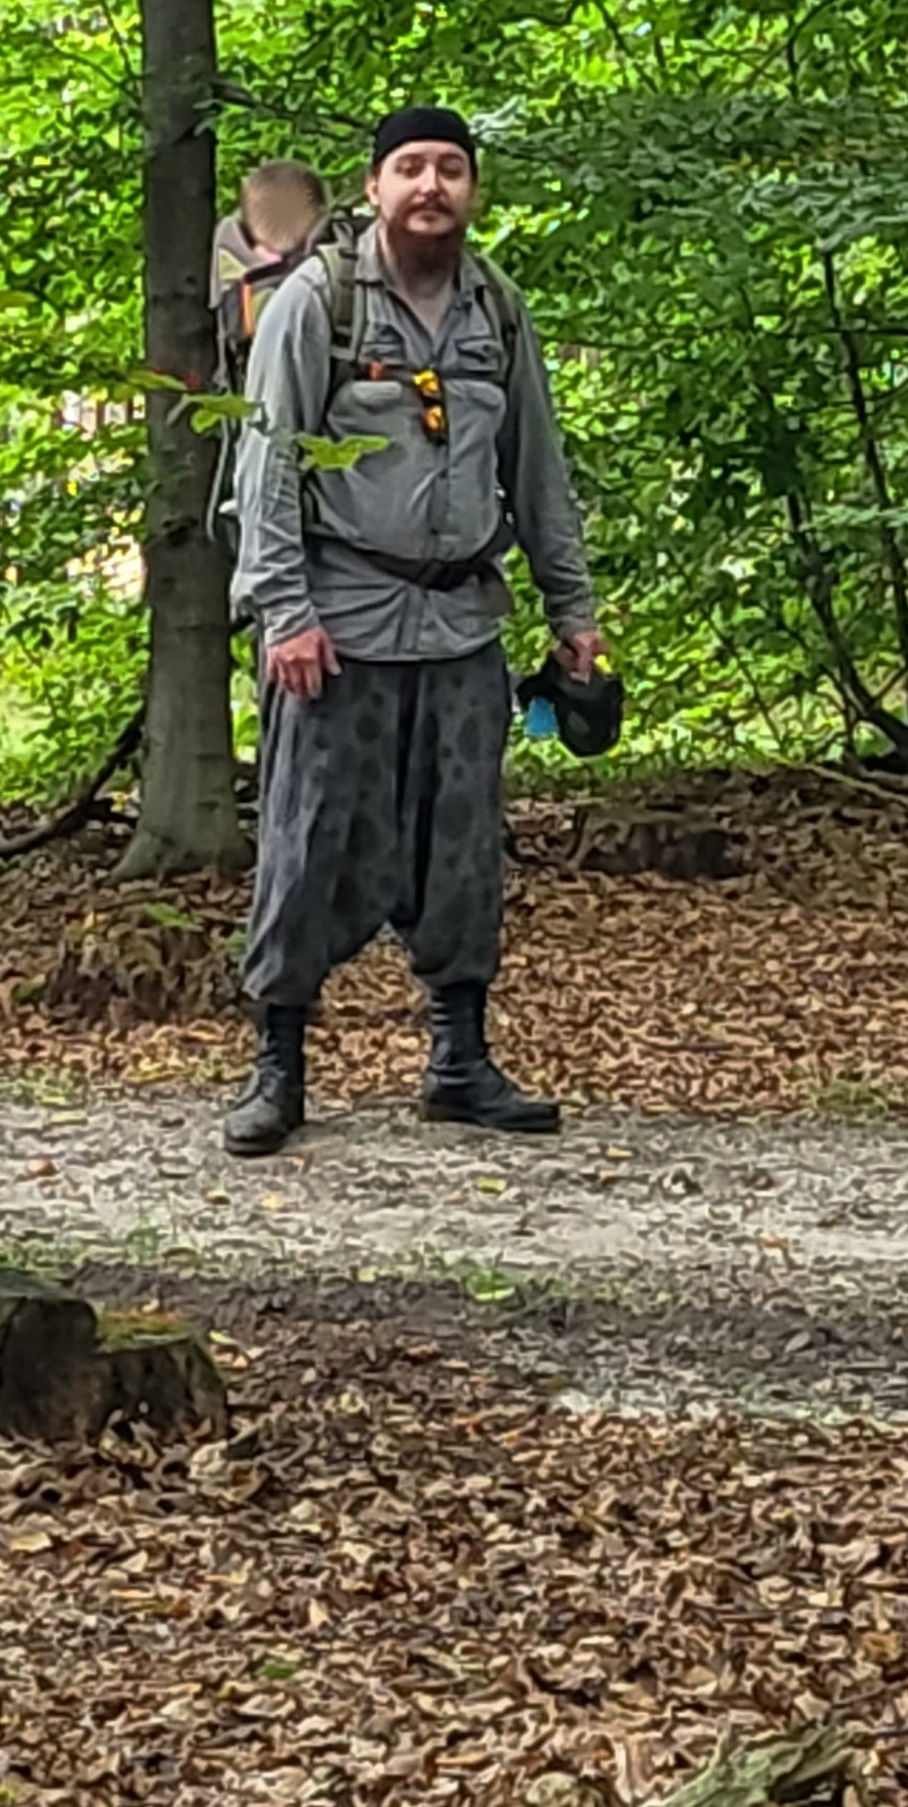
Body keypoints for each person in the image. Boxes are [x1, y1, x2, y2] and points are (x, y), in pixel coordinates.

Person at [224, 104, 603, 1158]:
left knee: (463, 850)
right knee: (309, 847)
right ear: (375, 185)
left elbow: (538, 472)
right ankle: (278, 1064)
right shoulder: (318, 302)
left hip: (461, 626)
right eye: (410, 168)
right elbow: (266, 467)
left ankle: (458, 1060)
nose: (431, 186)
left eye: (450, 169)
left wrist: (573, 613)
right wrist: (282, 613)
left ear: (472, 188)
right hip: (336, 630)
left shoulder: (498, 311)